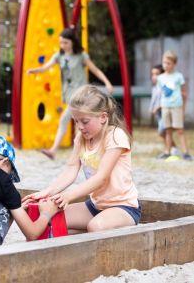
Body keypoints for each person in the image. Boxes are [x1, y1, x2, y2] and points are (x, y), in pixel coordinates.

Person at [23, 84, 141, 234]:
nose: (79, 127)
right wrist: (48, 192)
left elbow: (101, 178)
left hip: (123, 207)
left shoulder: (115, 136)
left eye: (84, 121)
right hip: (95, 206)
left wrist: (68, 196)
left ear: (103, 117)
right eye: (76, 121)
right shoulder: (81, 138)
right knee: (52, 220)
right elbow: (71, 169)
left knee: (95, 226)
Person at [27, 28, 113, 160]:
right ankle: (88, 150)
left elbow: (95, 69)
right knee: (81, 122)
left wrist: (107, 82)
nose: (63, 45)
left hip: (81, 93)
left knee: (65, 119)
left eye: (65, 42)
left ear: (72, 42)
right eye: (61, 43)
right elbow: (45, 67)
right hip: (69, 93)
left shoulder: (81, 56)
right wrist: (34, 71)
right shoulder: (59, 56)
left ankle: (54, 150)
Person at [156, 50, 192, 161]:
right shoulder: (160, 78)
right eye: (164, 62)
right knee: (168, 130)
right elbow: (160, 93)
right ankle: (167, 151)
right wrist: (159, 106)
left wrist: (183, 108)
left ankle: (186, 153)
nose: (165, 65)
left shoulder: (179, 76)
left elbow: (184, 93)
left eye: (168, 63)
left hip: (177, 106)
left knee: (180, 130)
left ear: (174, 64)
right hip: (165, 106)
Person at [149, 64, 179, 159]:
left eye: (156, 74)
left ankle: (169, 150)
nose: (154, 76)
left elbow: (166, 99)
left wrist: (157, 107)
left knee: (163, 132)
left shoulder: (164, 87)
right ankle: (172, 148)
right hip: (159, 115)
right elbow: (154, 99)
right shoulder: (155, 88)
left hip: (164, 113)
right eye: (152, 74)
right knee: (164, 132)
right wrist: (152, 108)